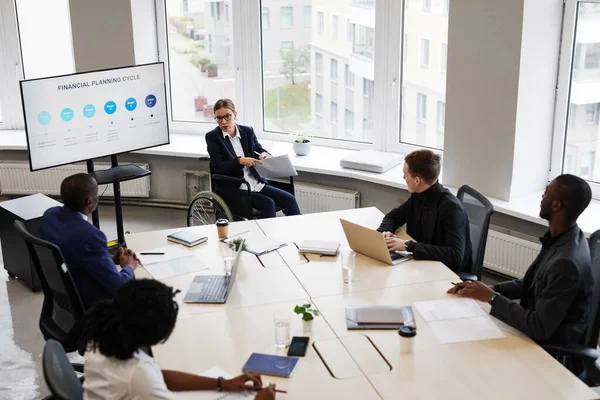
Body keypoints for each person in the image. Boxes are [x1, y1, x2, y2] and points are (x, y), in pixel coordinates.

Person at [448, 174, 593, 347]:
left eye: (546, 193)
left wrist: (492, 298)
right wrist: (492, 288)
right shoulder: (565, 237)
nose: (542, 197)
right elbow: (533, 282)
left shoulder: (566, 262)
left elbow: (539, 327)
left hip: (549, 347)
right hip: (537, 329)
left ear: (556, 205)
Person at [81, 279, 276, 400]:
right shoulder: (138, 376)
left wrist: (223, 383)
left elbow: (160, 377)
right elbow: (147, 378)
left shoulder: (103, 337)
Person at [41, 173, 141, 309]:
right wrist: (128, 266)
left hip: (65, 290)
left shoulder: (49, 216)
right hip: (90, 302)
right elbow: (119, 287)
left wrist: (109, 259)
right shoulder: (91, 236)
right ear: (89, 202)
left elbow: (72, 255)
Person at [377, 149, 472, 273]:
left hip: (444, 272)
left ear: (417, 181)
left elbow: (454, 255)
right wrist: (384, 232)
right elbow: (394, 216)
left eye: (405, 174)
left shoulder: (452, 209)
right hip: (421, 263)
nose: (403, 177)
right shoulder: (419, 195)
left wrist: (407, 245)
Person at [205, 98, 301, 219]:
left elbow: (259, 149)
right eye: (219, 118)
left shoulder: (247, 131)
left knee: (289, 199)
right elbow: (218, 167)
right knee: (268, 203)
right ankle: (267, 237)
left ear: (235, 114)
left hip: (255, 182)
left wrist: (265, 155)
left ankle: (297, 234)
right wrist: (239, 161)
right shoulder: (213, 137)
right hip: (234, 186)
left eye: (228, 116)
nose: (224, 121)